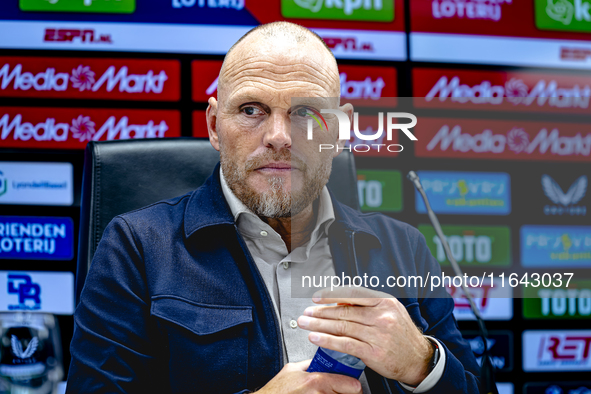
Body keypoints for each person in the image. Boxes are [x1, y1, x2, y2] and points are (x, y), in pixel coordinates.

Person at [66, 21, 482, 394]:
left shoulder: (402, 245)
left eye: (305, 112)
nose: (279, 137)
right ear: (214, 126)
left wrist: (423, 362)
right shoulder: (136, 248)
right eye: (251, 110)